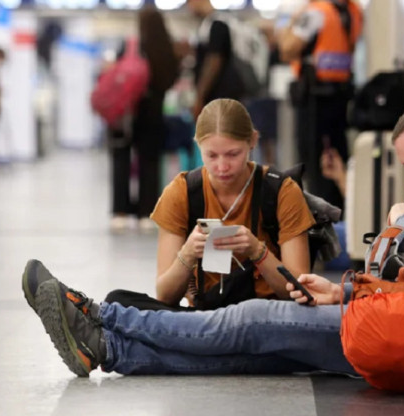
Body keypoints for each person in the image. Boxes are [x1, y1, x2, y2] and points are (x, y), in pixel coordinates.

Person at [22, 98, 404, 377]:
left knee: (250, 320)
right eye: (212, 156)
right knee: (253, 354)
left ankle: (96, 314)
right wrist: (345, 290)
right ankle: (107, 349)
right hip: (400, 323)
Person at [105, 98, 314, 311]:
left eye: (233, 154)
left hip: (267, 316)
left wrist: (257, 251)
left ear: (253, 141)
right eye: (211, 155)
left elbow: (298, 291)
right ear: (198, 146)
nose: (222, 166)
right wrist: (187, 254)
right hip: (205, 319)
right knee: (117, 301)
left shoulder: (282, 192)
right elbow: (165, 296)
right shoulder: (182, 192)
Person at [279, 0, 363, 211]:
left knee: (314, 169)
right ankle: (340, 215)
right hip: (339, 99)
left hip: (314, 104)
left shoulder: (316, 13)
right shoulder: (354, 13)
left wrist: (295, 18)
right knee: (336, 163)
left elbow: (287, 49)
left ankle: (320, 221)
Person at [110, 7, 181, 233]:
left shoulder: (132, 46)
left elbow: (116, 75)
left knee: (122, 160)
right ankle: (146, 213)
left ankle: (119, 213)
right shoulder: (167, 49)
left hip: (128, 112)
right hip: (154, 112)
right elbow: (172, 79)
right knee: (149, 163)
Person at [186, 0, 243, 118]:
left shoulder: (217, 23)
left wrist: (200, 96)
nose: (189, 8)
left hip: (219, 96)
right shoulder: (209, 24)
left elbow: (214, 62)